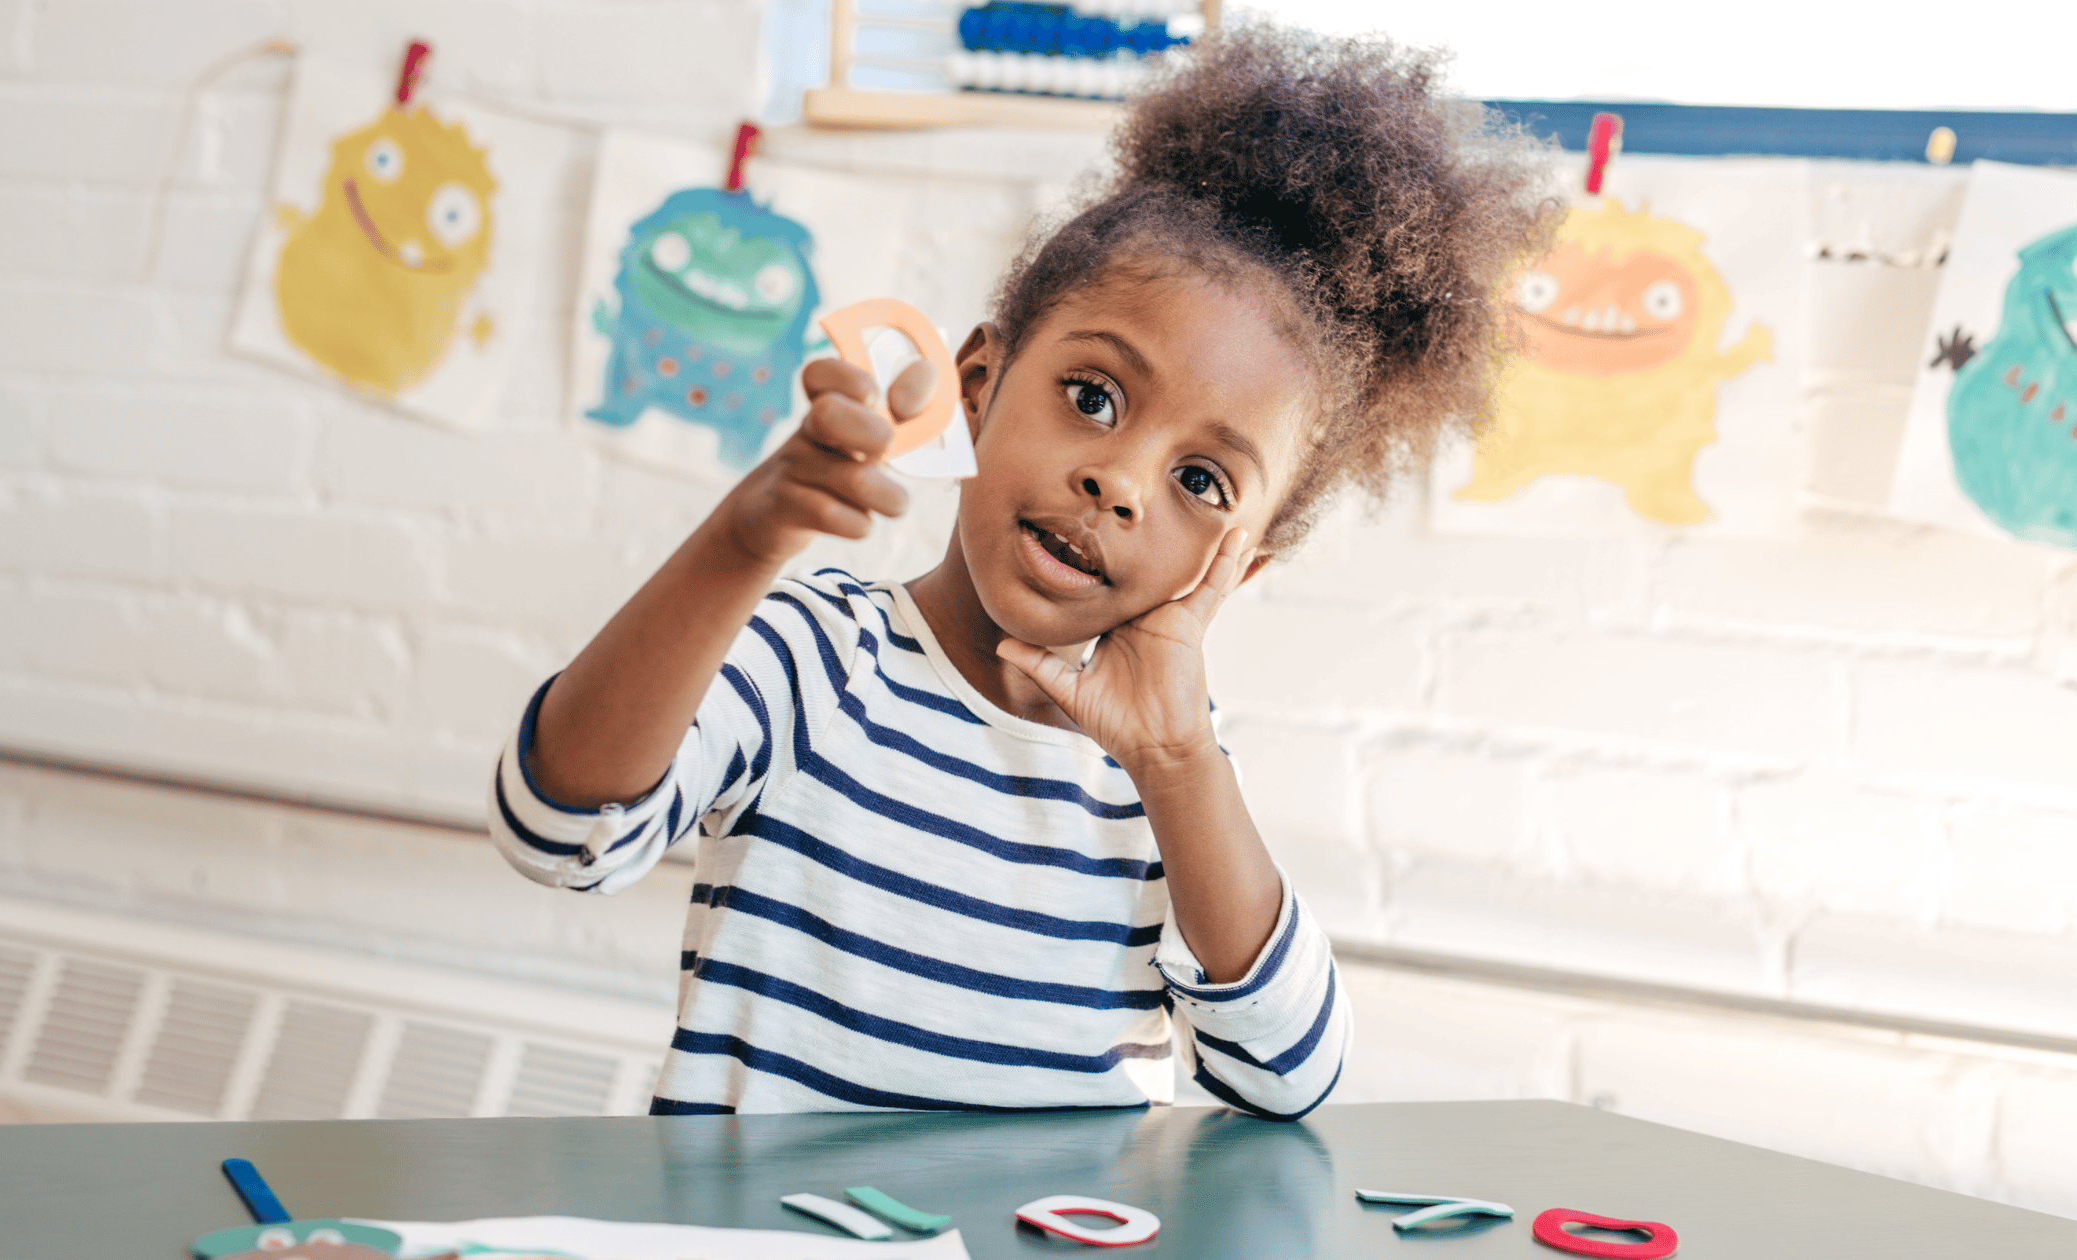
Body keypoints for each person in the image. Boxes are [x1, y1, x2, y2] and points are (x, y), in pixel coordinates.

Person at [488, 22, 1557, 1118]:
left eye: (1201, 481)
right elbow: (556, 832)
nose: (1120, 483)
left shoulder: (1165, 774)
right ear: (974, 387)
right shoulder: (815, 654)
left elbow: (1286, 1080)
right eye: (1092, 398)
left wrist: (1180, 765)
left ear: (1235, 571)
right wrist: (741, 543)